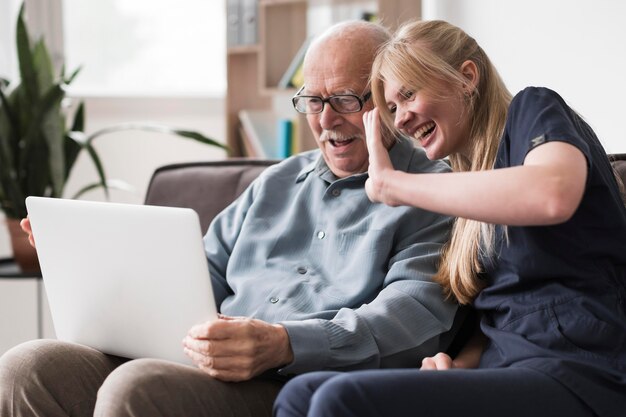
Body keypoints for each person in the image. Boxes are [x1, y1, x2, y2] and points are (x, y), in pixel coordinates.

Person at [0, 21, 461, 417]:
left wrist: (286, 343)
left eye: (343, 99)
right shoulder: (277, 182)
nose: (325, 120)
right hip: (204, 360)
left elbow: (412, 314)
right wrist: (80, 261)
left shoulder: (431, 191)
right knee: (27, 366)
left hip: (295, 382)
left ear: (387, 95)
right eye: (312, 101)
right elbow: (197, 273)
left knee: (136, 388)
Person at [273, 19, 626, 417]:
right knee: (300, 394)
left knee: (339, 401)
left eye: (408, 95)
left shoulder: (535, 109)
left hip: (581, 369)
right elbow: (494, 316)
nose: (400, 119)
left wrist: (392, 185)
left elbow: (552, 193)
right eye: (391, 108)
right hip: (504, 367)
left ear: (466, 78)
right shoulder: (468, 186)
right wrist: (457, 366)